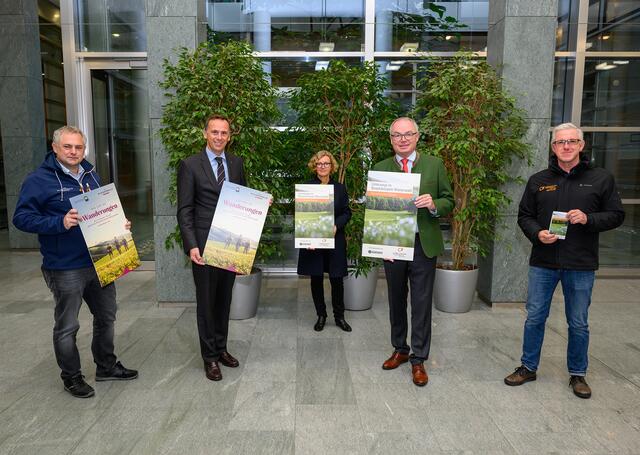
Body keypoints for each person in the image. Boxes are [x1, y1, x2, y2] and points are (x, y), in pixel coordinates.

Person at [13, 125, 138, 399]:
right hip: (65, 265)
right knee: (68, 325)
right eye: (68, 147)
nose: (73, 152)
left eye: (78, 147)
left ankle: (106, 366)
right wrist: (60, 221)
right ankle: (72, 376)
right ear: (55, 148)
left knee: (106, 317)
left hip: (101, 259)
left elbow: (101, 209)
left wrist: (119, 223)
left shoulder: (91, 175)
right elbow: (21, 218)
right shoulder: (39, 180)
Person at [504, 123, 625, 399]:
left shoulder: (601, 178)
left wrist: (588, 218)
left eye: (572, 141)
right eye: (560, 142)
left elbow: (617, 215)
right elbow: (524, 216)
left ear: (581, 145)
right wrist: (537, 233)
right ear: (553, 147)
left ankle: (578, 374)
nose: (566, 146)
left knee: (578, 322)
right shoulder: (538, 180)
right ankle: (528, 367)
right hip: (543, 262)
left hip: (580, 264)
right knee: (534, 317)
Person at [373, 117, 454, 387]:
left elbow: (449, 200)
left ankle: (419, 359)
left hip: (423, 244)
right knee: (396, 299)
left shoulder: (434, 164)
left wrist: (433, 204)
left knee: (421, 302)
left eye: (408, 134)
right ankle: (400, 349)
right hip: (394, 246)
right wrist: (382, 243)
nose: (403, 139)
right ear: (391, 139)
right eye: (397, 135)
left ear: (418, 136)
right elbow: (377, 211)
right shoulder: (380, 168)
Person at [177, 114, 246, 382]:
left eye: (224, 133)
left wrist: (259, 205)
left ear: (230, 136)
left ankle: (221, 348)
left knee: (224, 299)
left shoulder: (237, 163)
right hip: (204, 244)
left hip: (230, 242)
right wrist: (191, 244)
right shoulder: (190, 165)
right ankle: (209, 358)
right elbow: (185, 210)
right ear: (205, 133)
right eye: (214, 132)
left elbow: (242, 199)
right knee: (206, 302)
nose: (219, 137)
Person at [297, 151, 353, 332]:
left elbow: (347, 212)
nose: (322, 166)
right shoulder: (306, 188)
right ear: (315, 166)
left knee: (337, 279)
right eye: (319, 163)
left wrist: (337, 225)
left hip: (334, 239)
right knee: (316, 278)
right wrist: (307, 236)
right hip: (314, 241)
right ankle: (321, 315)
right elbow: (302, 214)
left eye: (326, 163)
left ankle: (339, 317)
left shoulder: (340, 188)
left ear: (332, 167)